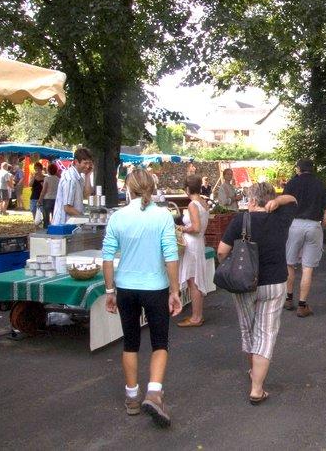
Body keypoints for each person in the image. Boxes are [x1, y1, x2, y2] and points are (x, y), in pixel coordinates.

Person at [102, 169, 182, 427]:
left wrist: (110, 291)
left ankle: (132, 396)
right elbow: (171, 255)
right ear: (152, 187)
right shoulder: (162, 216)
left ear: (129, 188)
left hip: (126, 287)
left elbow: (107, 257)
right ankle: (154, 392)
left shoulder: (118, 217)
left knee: (130, 342)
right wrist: (175, 290)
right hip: (155, 287)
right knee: (160, 342)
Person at [217, 184, 297, 405]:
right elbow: (292, 200)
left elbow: (222, 251)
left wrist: (230, 267)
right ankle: (257, 388)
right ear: (270, 200)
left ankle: (254, 372)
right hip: (275, 284)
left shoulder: (241, 221)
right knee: (266, 334)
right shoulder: (282, 218)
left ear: (252, 201)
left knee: (249, 330)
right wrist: (278, 202)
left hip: (244, 285)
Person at [283, 159, 326, 317]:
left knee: (290, 264)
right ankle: (302, 306)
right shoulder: (320, 184)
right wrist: (323, 225)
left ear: (298, 169)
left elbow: (284, 204)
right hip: (313, 225)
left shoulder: (291, 183)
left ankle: (288, 299)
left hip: (294, 225)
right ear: (312, 169)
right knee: (307, 268)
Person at [176, 176, 212, 328]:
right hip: (198, 243)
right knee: (196, 279)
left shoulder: (192, 205)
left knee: (193, 281)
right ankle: (197, 315)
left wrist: (181, 228)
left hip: (192, 244)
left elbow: (196, 227)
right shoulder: (204, 202)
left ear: (187, 189)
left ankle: (196, 317)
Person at [52, 148, 94, 225]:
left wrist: (88, 176)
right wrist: (86, 220)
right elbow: (67, 208)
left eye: (89, 163)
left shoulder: (78, 177)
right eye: (85, 163)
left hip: (71, 224)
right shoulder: (70, 179)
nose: (88, 166)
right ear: (76, 162)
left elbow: (86, 195)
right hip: (63, 225)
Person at [38, 163, 60, 229]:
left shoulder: (47, 179)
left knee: (46, 217)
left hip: (47, 198)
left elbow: (44, 190)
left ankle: (46, 229)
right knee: (55, 216)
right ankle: (54, 228)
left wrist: (40, 199)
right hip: (56, 199)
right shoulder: (58, 179)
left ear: (48, 170)